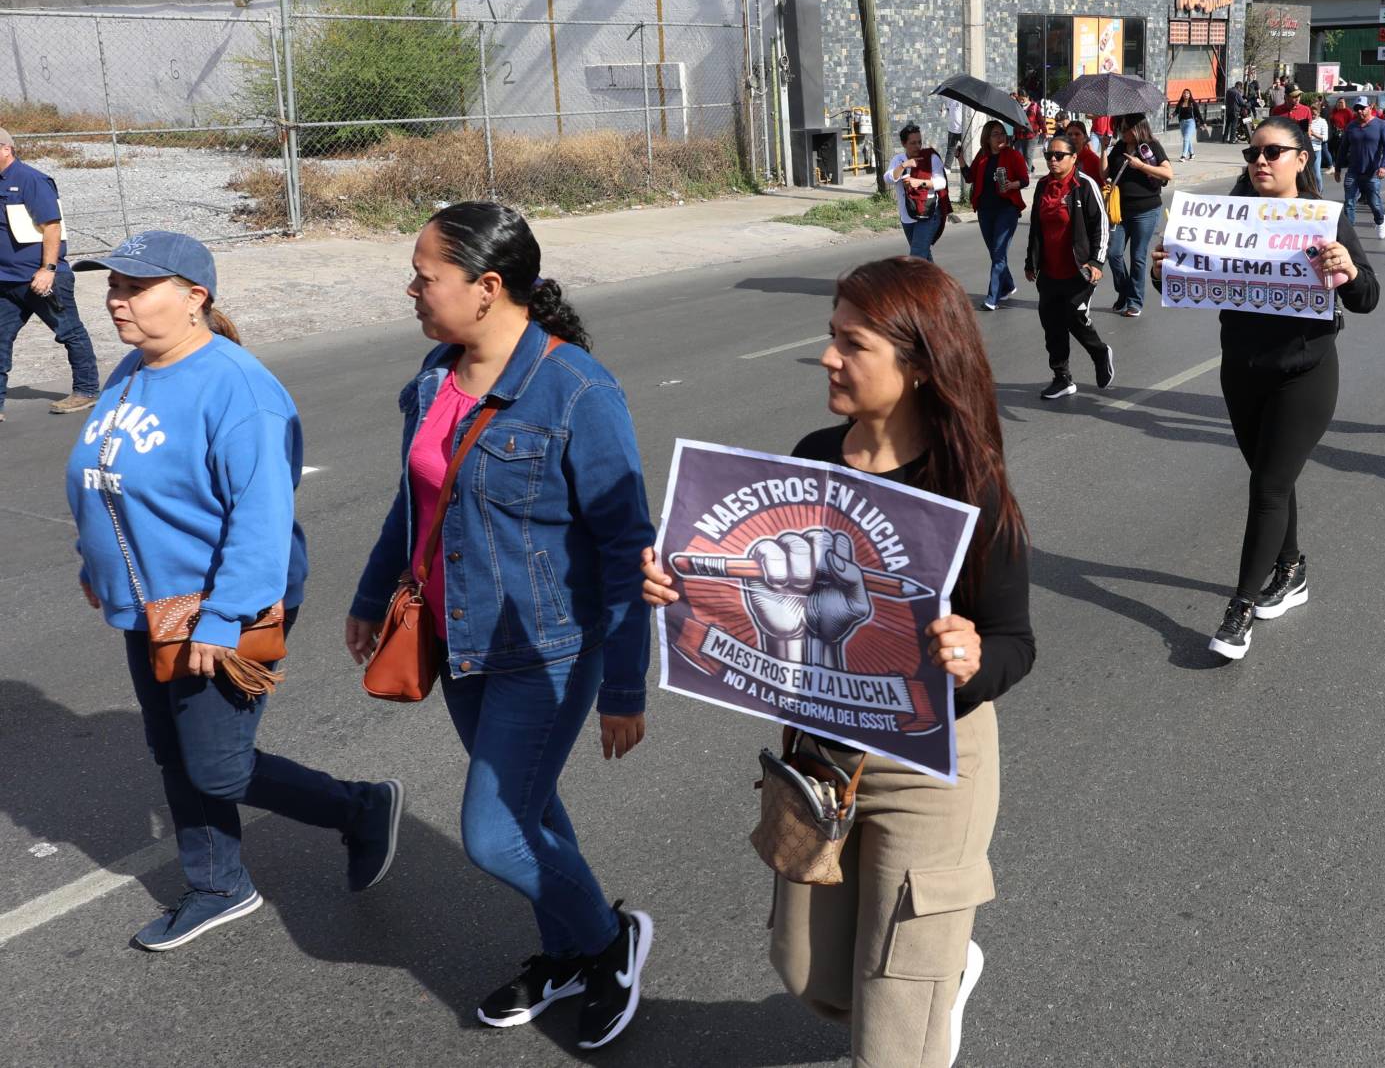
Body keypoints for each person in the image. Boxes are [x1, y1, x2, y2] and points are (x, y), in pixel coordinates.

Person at [639, 257, 1033, 1068]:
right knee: (813, 975)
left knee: (891, 1040)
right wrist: (679, 584)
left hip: (934, 767)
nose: (827, 358)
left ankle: (924, 991)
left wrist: (969, 657)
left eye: (851, 344)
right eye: (831, 338)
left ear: (918, 363)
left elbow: (1014, 643)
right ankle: (944, 972)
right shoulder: (814, 455)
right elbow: (752, 594)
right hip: (822, 754)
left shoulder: (974, 485)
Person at [344, 203, 654, 1050]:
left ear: (486, 288)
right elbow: (416, 503)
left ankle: (607, 938)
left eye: (425, 275)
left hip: (546, 652)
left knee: (494, 831)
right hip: (459, 643)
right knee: (533, 811)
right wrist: (375, 597)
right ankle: (565, 951)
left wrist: (625, 685)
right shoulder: (434, 378)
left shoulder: (577, 388)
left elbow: (629, 544)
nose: (411, 289)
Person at [64, 230, 402, 951]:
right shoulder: (134, 368)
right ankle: (218, 884)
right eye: (113, 285)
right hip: (152, 603)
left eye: (135, 286)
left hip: (220, 602)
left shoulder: (239, 388)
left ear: (195, 298)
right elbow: (106, 474)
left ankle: (360, 807)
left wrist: (221, 617)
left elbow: (263, 520)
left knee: (216, 761)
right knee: (173, 750)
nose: (116, 299)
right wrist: (93, 562)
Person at [1148, 117, 1377, 659]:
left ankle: (1240, 610)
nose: (1261, 160)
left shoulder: (1325, 220)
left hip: (1306, 372)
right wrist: (1164, 269)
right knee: (1271, 474)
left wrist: (1348, 271)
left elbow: (1368, 297)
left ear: (1302, 158)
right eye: (1254, 152)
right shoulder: (1224, 218)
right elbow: (1190, 281)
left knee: (1269, 488)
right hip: (1241, 369)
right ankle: (1291, 568)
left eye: (1275, 152)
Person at [0, 127, 99, 418]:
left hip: (41, 278)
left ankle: (86, 390)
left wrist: (48, 269)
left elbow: (52, 226)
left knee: (69, 331)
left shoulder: (30, 180)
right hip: (7, 281)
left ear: (5, 149)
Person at [1023, 135, 1113, 399]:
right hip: (1049, 271)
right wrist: (1031, 262)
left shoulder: (1084, 186)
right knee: (1052, 324)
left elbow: (1102, 226)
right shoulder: (1042, 186)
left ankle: (1100, 352)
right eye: (1049, 154)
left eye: (1059, 155)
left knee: (1074, 315)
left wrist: (1096, 261)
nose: (1052, 159)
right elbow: (1035, 229)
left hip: (1079, 269)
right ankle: (1062, 378)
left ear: (1074, 158)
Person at [1104, 114, 1173, 318]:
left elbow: (1168, 173)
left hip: (1146, 210)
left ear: (1137, 128)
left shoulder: (1151, 146)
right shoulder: (1118, 147)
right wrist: (1102, 148)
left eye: (1125, 128)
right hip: (1120, 211)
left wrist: (1140, 165)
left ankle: (1134, 301)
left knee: (1138, 257)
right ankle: (1124, 291)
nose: (1122, 132)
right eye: (1120, 128)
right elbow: (1104, 173)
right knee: (1113, 253)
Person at [966, 120, 1029, 312]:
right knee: (995, 252)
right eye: (996, 134)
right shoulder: (983, 156)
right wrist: (960, 159)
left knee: (999, 252)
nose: (1001, 137)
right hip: (985, 210)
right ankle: (1008, 285)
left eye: (1002, 133)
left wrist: (1012, 185)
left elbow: (1025, 180)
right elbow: (970, 177)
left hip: (1007, 209)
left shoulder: (1013, 155)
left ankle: (992, 298)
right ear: (987, 138)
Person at [885, 122, 949, 262]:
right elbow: (888, 178)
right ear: (904, 144)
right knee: (924, 256)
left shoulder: (931, 158)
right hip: (908, 215)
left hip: (928, 213)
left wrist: (919, 182)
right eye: (912, 143)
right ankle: (935, 283)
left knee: (916, 257)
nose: (917, 146)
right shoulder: (899, 160)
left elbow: (941, 182)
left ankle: (914, 284)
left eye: (919, 142)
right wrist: (904, 165)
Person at [1340, 96, 1385, 240]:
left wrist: (1384, 166)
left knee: (1374, 203)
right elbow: (1343, 148)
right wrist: (1338, 167)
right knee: (1349, 202)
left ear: (1370, 107)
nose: (1360, 112)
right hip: (1353, 171)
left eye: (1363, 108)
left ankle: (1381, 221)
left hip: (1372, 172)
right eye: (1357, 109)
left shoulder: (1382, 125)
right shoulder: (1351, 127)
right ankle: (1349, 232)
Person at [1173, 89, 1201, 161]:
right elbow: (1176, 111)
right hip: (1182, 123)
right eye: (1184, 93)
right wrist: (1172, 115)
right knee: (1187, 139)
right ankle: (1192, 154)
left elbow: (1198, 114)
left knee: (1185, 138)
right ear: (1182, 95)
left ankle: (1183, 156)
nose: (1185, 95)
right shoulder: (1180, 103)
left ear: (1189, 95)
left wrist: (1203, 123)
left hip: (1190, 122)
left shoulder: (1193, 103)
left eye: (1187, 93)